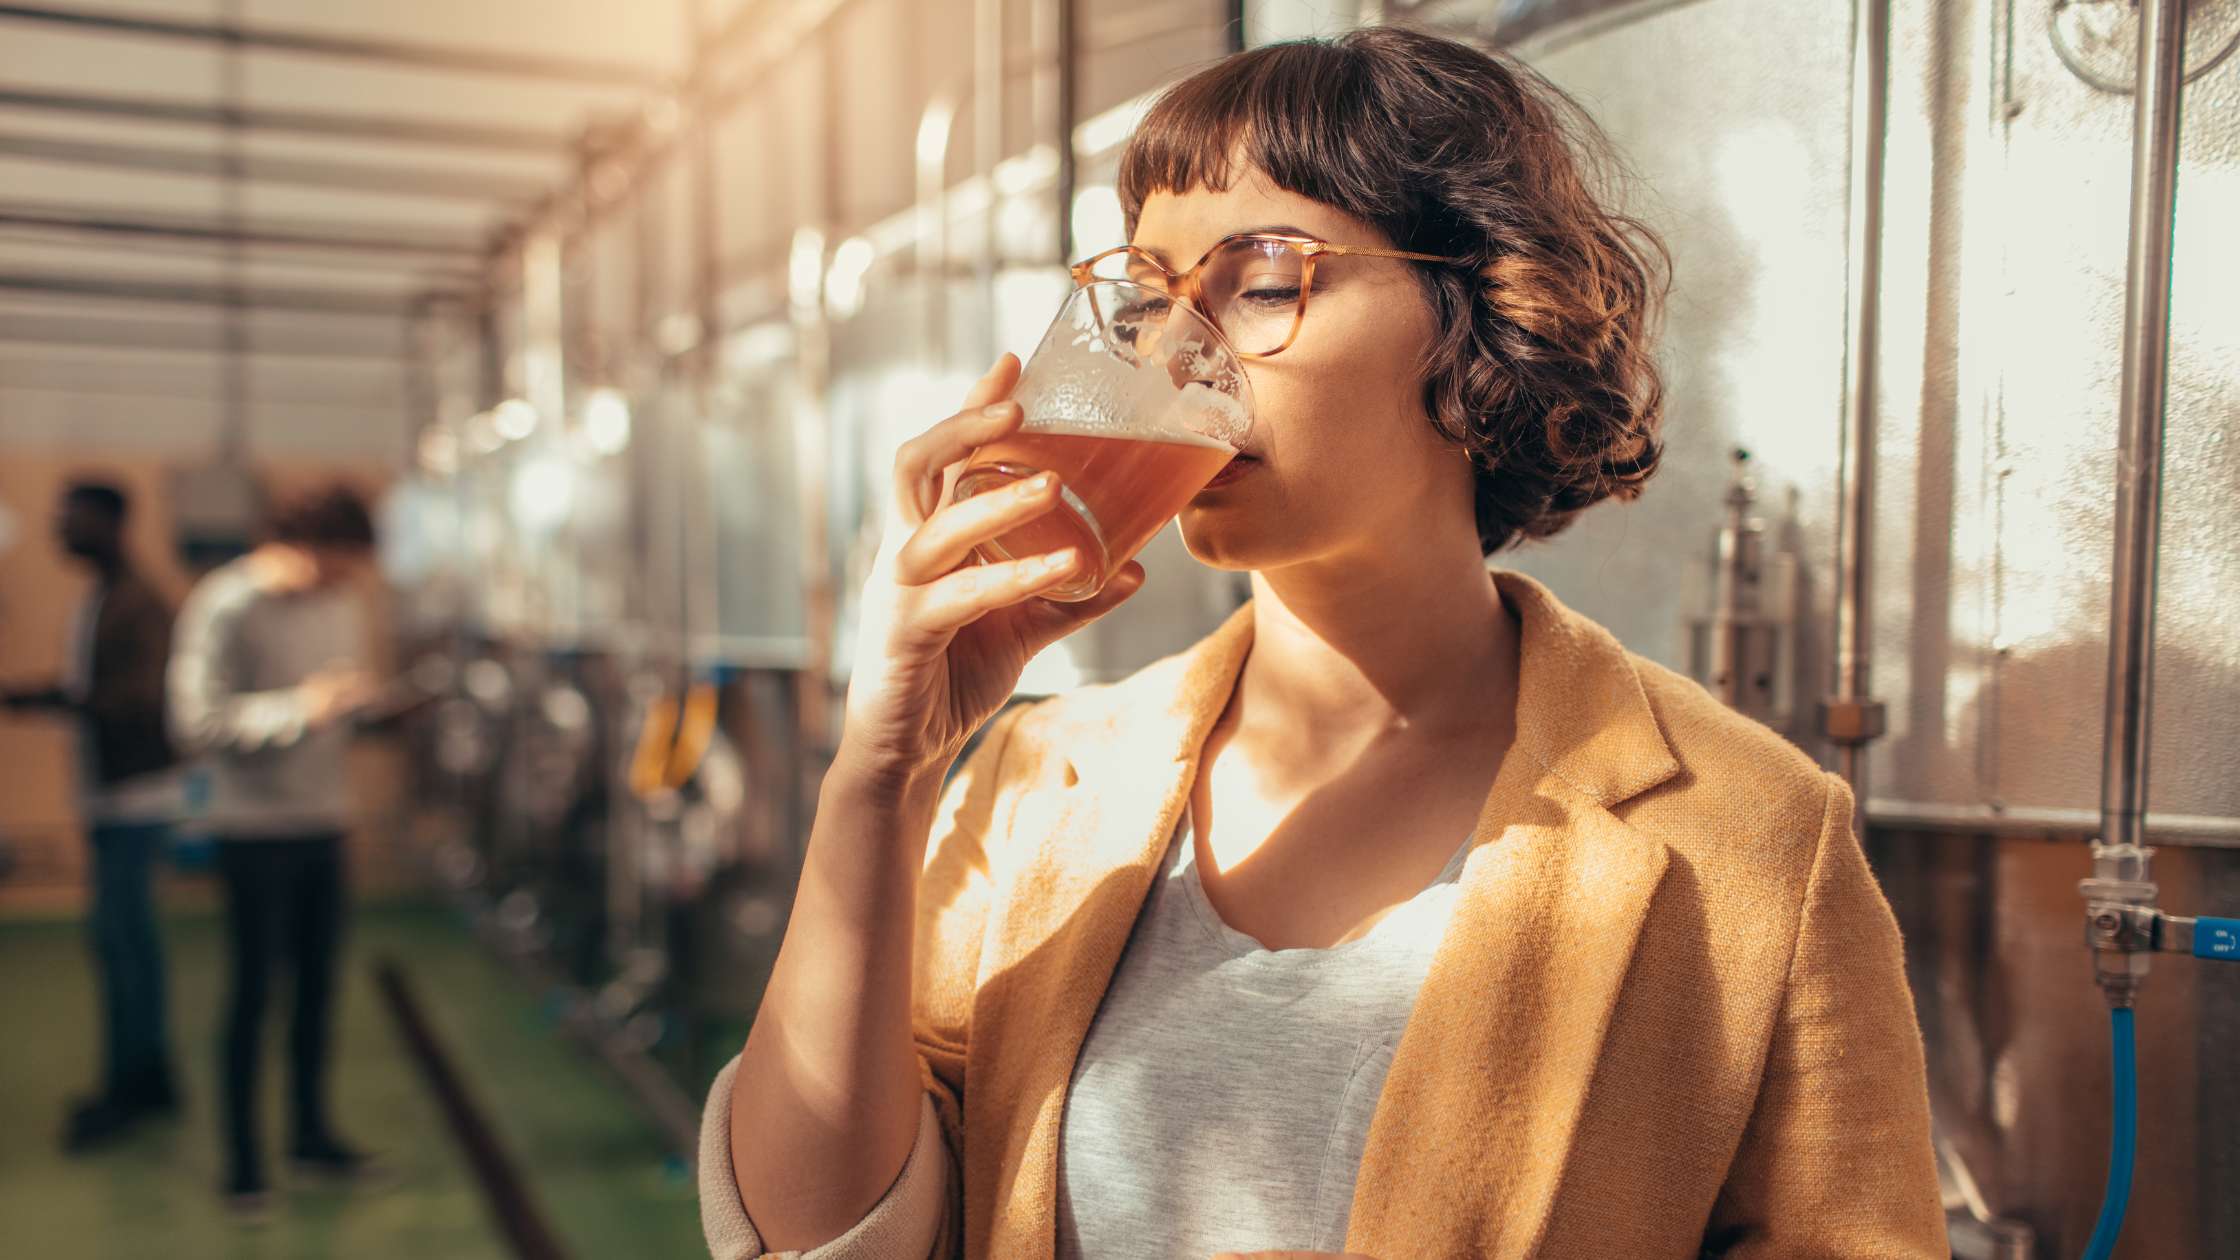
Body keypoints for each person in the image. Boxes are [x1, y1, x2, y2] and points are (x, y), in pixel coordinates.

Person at [703, 27, 1943, 1260]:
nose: (1177, 361)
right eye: (1146, 300)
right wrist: (883, 774)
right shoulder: (1034, 784)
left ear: (1483, 314)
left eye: (1258, 282)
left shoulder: (1751, 840)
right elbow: (813, 1236)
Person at [168, 483, 384, 1213]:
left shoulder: (340, 604)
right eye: (331, 568)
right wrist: (299, 709)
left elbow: (334, 700)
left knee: (318, 993)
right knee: (254, 995)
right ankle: (243, 1163)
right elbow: (195, 722)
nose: (338, 584)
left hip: (323, 819)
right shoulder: (225, 603)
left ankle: (311, 1138)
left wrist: (361, 705)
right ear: (294, 548)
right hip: (253, 830)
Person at [2, 480, 182, 1152]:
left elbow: (136, 698)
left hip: (134, 799)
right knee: (126, 943)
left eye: (71, 519)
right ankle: (150, 1075)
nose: (60, 531)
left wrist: (54, 701)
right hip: (108, 794)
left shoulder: (139, 601)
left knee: (120, 942)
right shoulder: (102, 597)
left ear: (110, 521)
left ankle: (130, 1085)